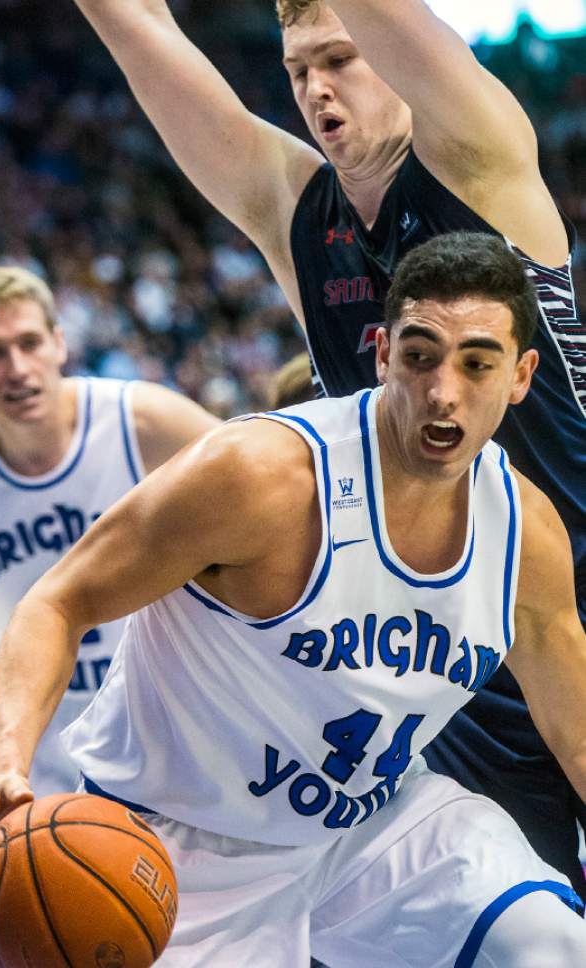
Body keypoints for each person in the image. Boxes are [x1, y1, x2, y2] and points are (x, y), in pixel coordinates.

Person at [0, 233, 586, 967]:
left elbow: (575, 733)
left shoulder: (523, 533)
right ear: (380, 354)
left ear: (520, 375)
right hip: (172, 844)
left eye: (476, 364)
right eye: (418, 357)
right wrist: (8, 765)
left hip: (371, 829)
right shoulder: (258, 475)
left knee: (549, 946)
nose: (443, 391)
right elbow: (57, 602)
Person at [66, 0, 586, 894]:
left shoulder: (479, 158)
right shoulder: (298, 217)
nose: (315, 88)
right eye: (298, 68)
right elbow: (139, 32)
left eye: (339, 58)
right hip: (454, 659)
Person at [0, 265, 218, 799]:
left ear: (59, 343)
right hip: (46, 740)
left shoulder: (141, 420)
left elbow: (269, 486)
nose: (17, 368)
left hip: (175, 716)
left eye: (29, 343)